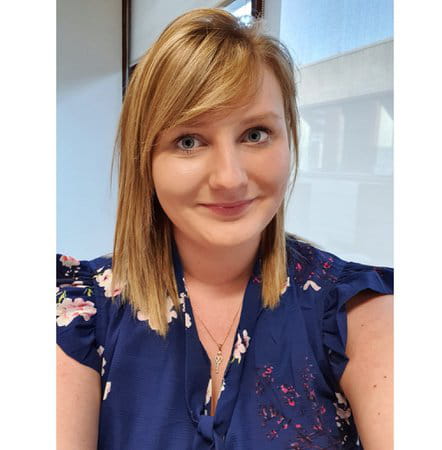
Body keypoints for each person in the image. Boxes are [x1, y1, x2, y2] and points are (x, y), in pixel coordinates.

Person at [56, 8, 393, 450]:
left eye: (255, 134)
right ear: (145, 160)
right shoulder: (78, 314)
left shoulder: (359, 313)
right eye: (189, 141)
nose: (229, 178)